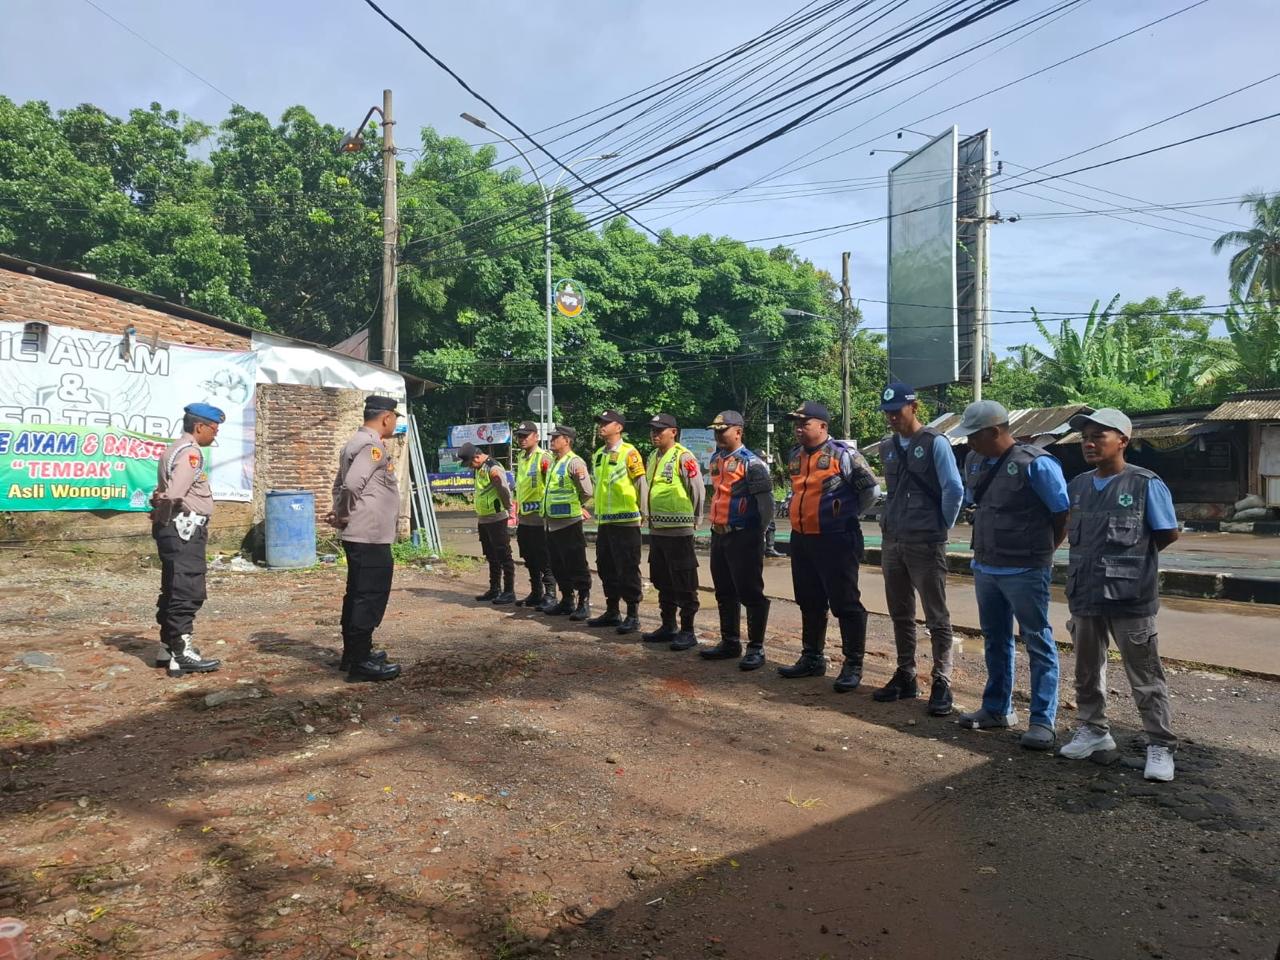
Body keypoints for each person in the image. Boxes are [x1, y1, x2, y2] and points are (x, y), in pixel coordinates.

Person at [1057, 408, 1180, 782]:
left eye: (1099, 436)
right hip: (1085, 594)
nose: (1089, 443)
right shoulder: (1078, 486)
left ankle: (1160, 745)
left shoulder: (1144, 484)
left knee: (1145, 675)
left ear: (1123, 440)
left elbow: (1166, 533)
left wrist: (1131, 564)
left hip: (1130, 597)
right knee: (1086, 671)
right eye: (1085, 438)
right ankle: (1093, 730)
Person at [951, 400, 1068, 749]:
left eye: (974, 435)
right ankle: (996, 708)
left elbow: (1062, 512)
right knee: (995, 639)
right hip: (986, 565)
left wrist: (1044, 552)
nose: (969, 442)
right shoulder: (974, 460)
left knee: (1037, 640)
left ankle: (1042, 720)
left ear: (995, 431)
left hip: (1025, 568)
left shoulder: (1036, 463)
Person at [873, 381, 964, 716]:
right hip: (893, 539)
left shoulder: (935, 442)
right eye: (887, 412)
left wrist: (940, 526)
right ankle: (906, 674)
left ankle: (942, 680)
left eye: (897, 410)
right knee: (900, 613)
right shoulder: (887, 446)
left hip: (925, 541)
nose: (892, 417)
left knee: (936, 615)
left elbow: (954, 488)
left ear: (914, 407)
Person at [776, 401, 879, 689]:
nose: (798, 429)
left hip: (837, 538)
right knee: (809, 600)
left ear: (822, 426)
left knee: (845, 602)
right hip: (802, 538)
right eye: (796, 424)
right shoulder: (795, 455)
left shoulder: (843, 455)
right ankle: (812, 657)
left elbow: (871, 490)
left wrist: (845, 515)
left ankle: (853, 664)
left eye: (804, 424)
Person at [327, 395, 404, 683]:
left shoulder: (353, 443)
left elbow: (339, 485)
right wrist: (344, 514)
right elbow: (350, 485)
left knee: (358, 594)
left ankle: (355, 653)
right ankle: (360, 662)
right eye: (394, 418)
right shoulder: (372, 446)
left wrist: (340, 513)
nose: (394, 423)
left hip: (363, 533)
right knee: (369, 596)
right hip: (370, 535)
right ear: (386, 418)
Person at [150, 402, 225, 677]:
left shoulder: (173, 448)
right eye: (214, 428)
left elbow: (163, 493)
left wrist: (160, 515)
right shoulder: (191, 453)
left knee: (172, 587)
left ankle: (168, 647)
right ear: (199, 426)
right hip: (185, 529)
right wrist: (165, 511)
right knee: (187, 588)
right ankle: (182, 653)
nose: (215, 434)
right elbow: (173, 494)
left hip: (173, 527)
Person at [698, 410, 775, 670]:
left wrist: (758, 532)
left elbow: (767, 504)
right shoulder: (716, 458)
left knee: (750, 592)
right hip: (719, 534)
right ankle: (730, 641)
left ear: (738, 432)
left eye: (723, 430)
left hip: (744, 535)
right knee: (724, 590)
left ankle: (756, 648)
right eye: (716, 431)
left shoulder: (752, 463)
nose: (718, 435)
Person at [641, 413, 704, 650]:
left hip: (678, 531)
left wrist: (696, 518)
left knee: (684, 581)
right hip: (657, 530)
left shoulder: (683, 456)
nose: (654, 434)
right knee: (662, 579)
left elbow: (697, 489)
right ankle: (668, 625)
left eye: (660, 430)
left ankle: (688, 630)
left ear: (673, 432)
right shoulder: (653, 456)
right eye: (653, 430)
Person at [588, 410, 649, 634]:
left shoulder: (629, 452)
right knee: (606, 567)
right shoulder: (598, 455)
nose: (601, 426)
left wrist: (644, 513)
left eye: (606, 423)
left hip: (626, 521)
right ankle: (612, 611)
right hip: (605, 522)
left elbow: (641, 484)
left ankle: (633, 615)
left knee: (628, 568)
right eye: (600, 423)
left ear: (619, 427)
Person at [540, 425, 594, 619]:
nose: (552, 440)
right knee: (557, 564)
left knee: (576, 563)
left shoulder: (575, 462)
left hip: (569, 522)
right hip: (552, 523)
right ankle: (567, 600)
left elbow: (587, 491)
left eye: (556, 437)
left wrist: (576, 504)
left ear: (567, 440)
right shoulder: (554, 462)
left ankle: (583, 603)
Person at [458, 441, 516, 605]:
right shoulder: (479, 469)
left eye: (470, 463)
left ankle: (509, 591)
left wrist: (509, 508)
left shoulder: (493, 468)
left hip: (496, 518)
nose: (470, 467)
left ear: (476, 457)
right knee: (491, 555)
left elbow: (504, 489)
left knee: (503, 554)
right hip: (484, 518)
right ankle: (494, 588)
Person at [512, 422, 557, 607]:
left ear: (536, 437)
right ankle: (536, 592)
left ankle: (550, 593)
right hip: (524, 516)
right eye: (519, 436)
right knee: (529, 556)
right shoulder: (521, 457)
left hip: (540, 517)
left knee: (543, 556)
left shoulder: (544, 457)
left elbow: (552, 483)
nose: (522, 439)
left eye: (526, 435)